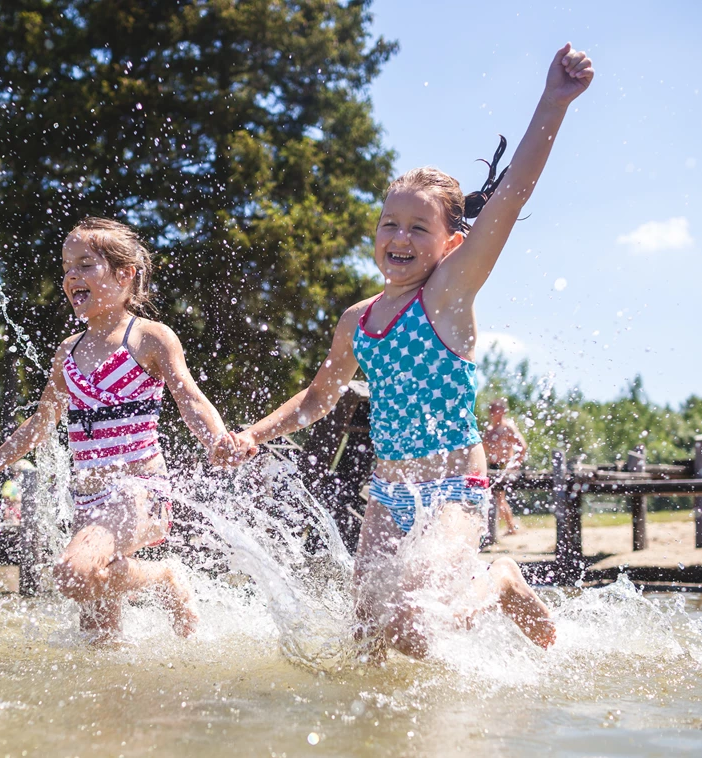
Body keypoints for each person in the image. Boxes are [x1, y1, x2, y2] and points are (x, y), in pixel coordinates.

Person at [215, 43, 594, 658]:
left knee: (417, 621)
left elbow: (513, 195)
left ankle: (497, 580)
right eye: (390, 223)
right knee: (367, 639)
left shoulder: (447, 294)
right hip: (388, 493)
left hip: (452, 486)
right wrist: (255, 433)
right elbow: (319, 396)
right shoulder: (357, 319)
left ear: (451, 243)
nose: (400, 237)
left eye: (419, 227)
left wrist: (553, 102)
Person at [0, 217, 229, 642]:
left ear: (125, 275)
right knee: (98, 640)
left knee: (72, 573)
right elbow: (41, 424)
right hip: (87, 499)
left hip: (137, 491)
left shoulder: (148, 338)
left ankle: (164, 578)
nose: (71, 276)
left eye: (85, 265)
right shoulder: (68, 350)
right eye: (67, 267)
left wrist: (218, 440)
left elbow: (190, 399)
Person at [482, 398, 527, 535]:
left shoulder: (508, 427)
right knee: (493, 498)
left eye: (496, 409)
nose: (493, 412)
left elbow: (522, 446)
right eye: (491, 409)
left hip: (504, 466)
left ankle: (511, 527)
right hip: (492, 466)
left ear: (503, 411)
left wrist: (517, 463)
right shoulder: (489, 430)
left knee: (499, 498)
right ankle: (508, 526)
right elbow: (483, 448)